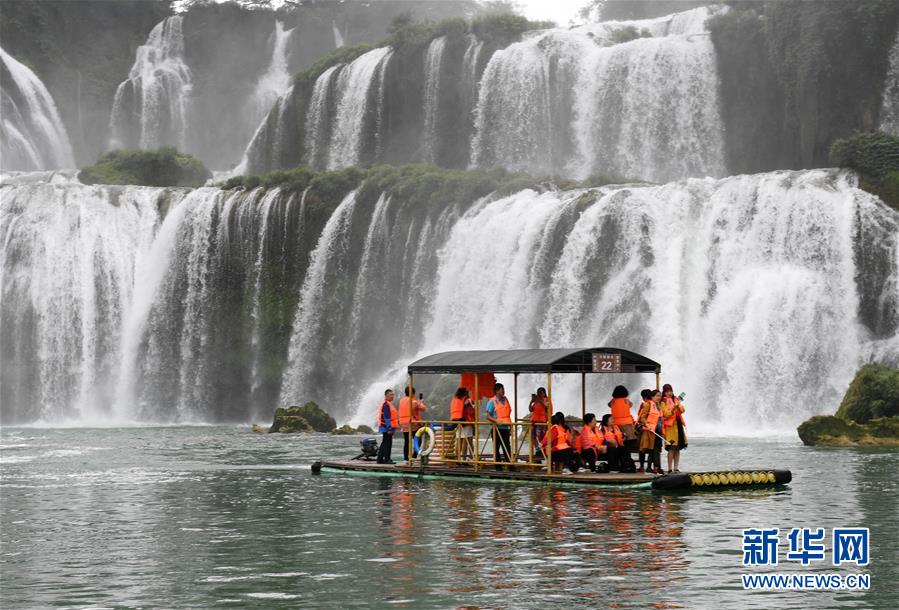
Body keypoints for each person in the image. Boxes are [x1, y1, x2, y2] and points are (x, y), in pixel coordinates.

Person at [661, 384, 687, 473]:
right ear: (664, 392)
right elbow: (666, 414)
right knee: (671, 447)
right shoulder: (663, 402)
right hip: (670, 427)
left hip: (678, 425)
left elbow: (683, 410)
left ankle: (676, 468)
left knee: (678, 447)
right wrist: (673, 409)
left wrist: (678, 405)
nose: (669, 393)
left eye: (671, 391)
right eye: (667, 391)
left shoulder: (676, 399)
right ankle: (669, 468)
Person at [485, 382, 513, 463]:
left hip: (505, 427)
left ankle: (510, 465)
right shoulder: (492, 401)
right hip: (496, 428)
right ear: (497, 391)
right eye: (502, 389)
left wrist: (510, 427)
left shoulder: (505, 399)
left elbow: (507, 414)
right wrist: (496, 421)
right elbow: (488, 416)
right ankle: (498, 466)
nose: (503, 391)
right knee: (496, 448)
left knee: (507, 447)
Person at [398, 386, 427, 462]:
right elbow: (423, 408)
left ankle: (406, 459)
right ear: (413, 393)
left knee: (406, 442)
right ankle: (414, 456)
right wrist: (420, 401)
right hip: (413, 424)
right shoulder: (414, 401)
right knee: (418, 440)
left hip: (404, 424)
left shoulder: (401, 400)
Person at [638, 389, 663, 474]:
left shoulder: (659, 406)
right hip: (650, 430)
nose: (658, 397)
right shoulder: (648, 405)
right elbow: (642, 417)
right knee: (650, 449)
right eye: (657, 396)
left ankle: (654, 467)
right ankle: (649, 467)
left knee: (656, 449)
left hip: (658, 430)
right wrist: (647, 424)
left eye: (660, 396)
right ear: (652, 397)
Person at [608, 385, 637, 452]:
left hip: (615, 424)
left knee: (618, 442)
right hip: (627, 425)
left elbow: (609, 405)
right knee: (628, 442)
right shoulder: (626, 401)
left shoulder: (612, 401)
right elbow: (631, 405)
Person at [377, 389, 398, 464]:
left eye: (393, 395)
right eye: (391, 395)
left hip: (385, 427)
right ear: (386, 396)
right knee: (388, 443)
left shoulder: (387, 403)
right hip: (387, 427)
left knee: (384, 442)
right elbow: (387, 418)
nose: (392, 396)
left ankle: (380, 459)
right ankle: (387, 459)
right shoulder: (386, 404)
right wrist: (389, 428)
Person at [529, 387, 551, 456]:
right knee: (534, 437)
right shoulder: (536, 401)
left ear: (544, 393)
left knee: (541, 438)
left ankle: (542, 452)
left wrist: (539, 400)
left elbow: (545, 407)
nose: (539, 394)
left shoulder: (547, 400)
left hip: (542, 423)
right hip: (534, 422)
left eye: (540, 393)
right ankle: (538, 450)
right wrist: (531, 402)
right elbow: (531, 409)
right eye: (538, 393)